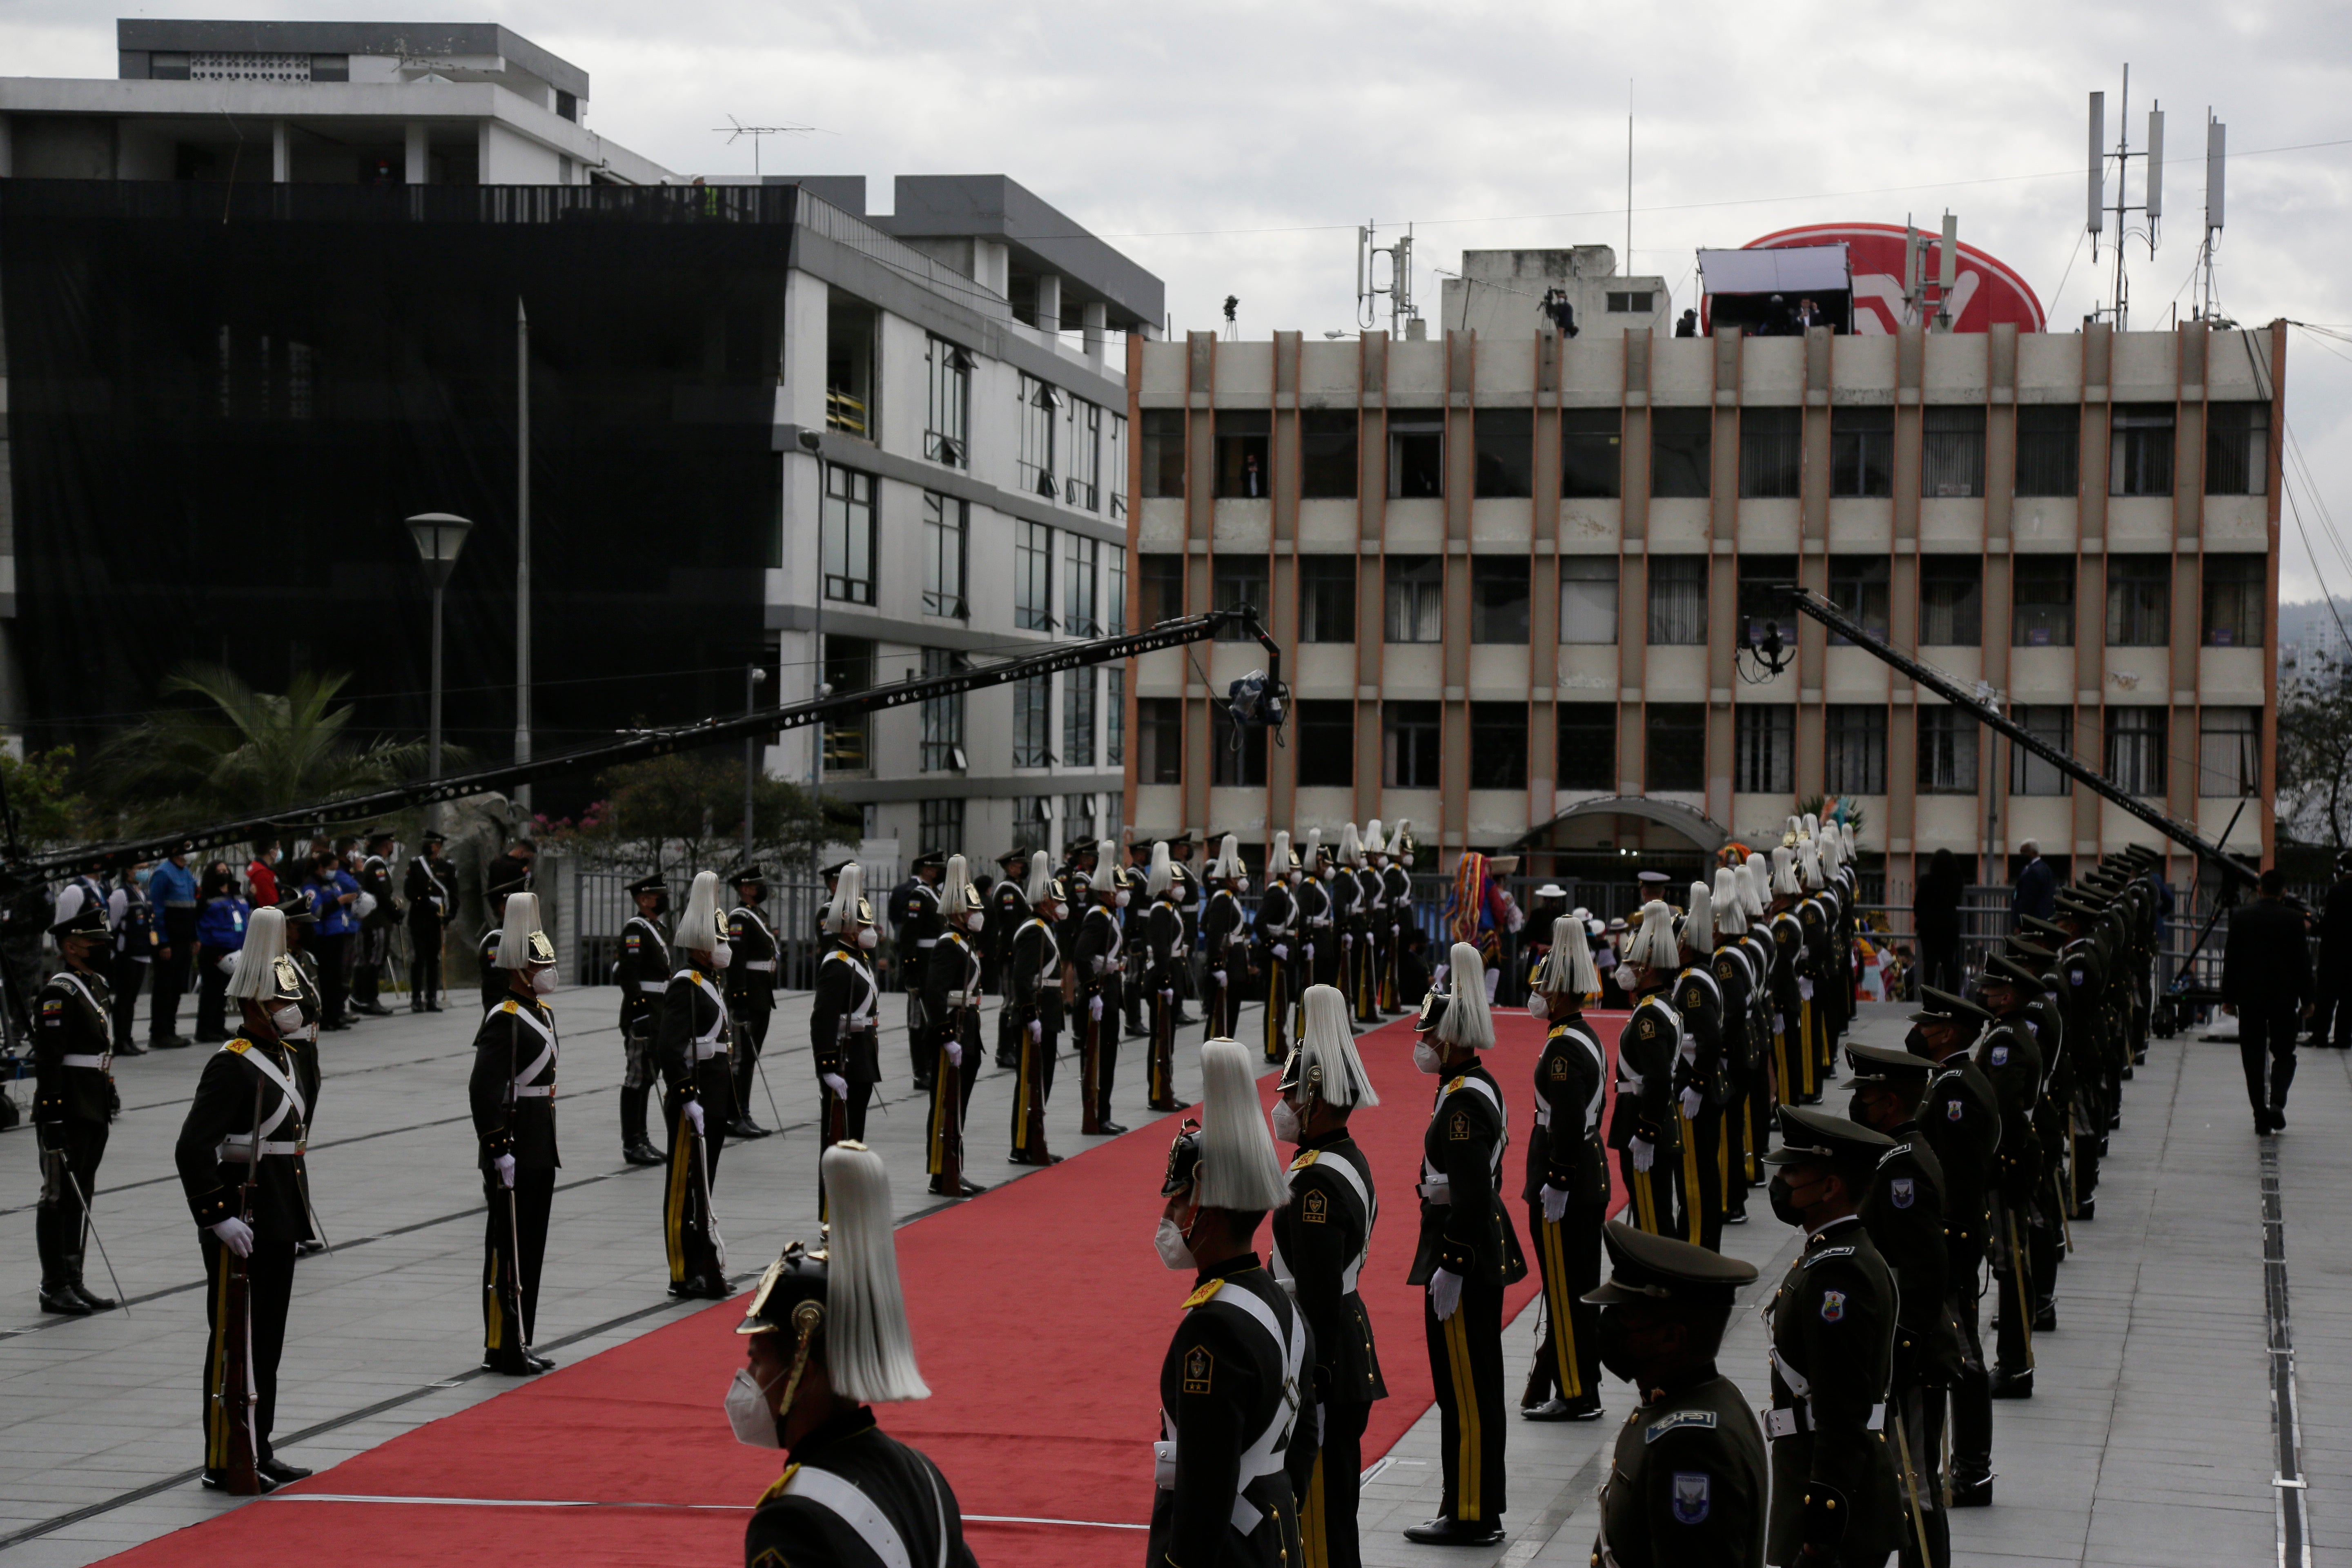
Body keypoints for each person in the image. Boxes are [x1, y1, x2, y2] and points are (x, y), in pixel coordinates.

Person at [734, 1143, 977, 1568]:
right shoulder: (921, 1474)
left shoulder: (793, 1521)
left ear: (803, 1373)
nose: (748, 1376)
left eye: (758, 1360)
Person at [1149, 1037, 1312, 1568]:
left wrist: (1179, 1562)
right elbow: (1305, 1438)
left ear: (1209, 1212)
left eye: (1179, 1199)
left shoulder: (1213, 1327)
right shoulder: (1279, 1299)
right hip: (1274, 1529)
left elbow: (1207, 1478)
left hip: (1228, 1550)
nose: (1171, 1213)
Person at [175, 911, 318, 1493]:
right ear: (255, 1006)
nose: (291, 1010)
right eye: (280, 1002)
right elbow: (191, 1149)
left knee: (270, 1338)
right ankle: (223, 1452)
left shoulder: (288, 1057)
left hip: (281, 1212)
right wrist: (217, 1216)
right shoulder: (230, 1064)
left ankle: (260, 1444)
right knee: (234, 1337)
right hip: (242, 1214)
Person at [1403, 942, 1524, 1547]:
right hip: (1469, 1249)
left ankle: (1472, 1511)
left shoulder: (1463, 1103)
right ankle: (1468, 1503)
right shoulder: (1468, 1086)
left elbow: (1473, 1197)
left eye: (1428, 1031)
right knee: (1468, 1387)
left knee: (1467, 1392)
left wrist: (1450, 1263)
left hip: (1465, 1254)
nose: (1420, 1039)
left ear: (1450, 1039)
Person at [1760, 1106, 1903, 1568]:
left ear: (1830, 1187)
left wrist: (1820, 1536)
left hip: (1834, 1502)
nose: (1782, 1183)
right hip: (1827, 1486)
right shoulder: (1835, 1257)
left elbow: (1842, 1408)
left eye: (1795, 1172)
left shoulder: (1838, 1275)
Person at [1272, 986, 1384, 1568]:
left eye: (1290, 1093)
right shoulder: (1341, 1157)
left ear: (1314, 1099)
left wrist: (1304, 1378)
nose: (1283, 1103)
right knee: (1334, 1511)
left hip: (1325, 1356)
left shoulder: (1314, 1181)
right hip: (1344, 1342)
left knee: (1318, 1519)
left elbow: (1314, 1291)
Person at [1583, 1223, 1767, 1566]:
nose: (1608, 1326)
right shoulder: (1705, 1397)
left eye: (1624, 1315)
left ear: (1671, 1338)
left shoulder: (1691, 1444)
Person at [1844, 1042, 1952, 1568]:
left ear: (1887, 1103)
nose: (1857, 1105)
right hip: (1908, 1344)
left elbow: (1925, 1266)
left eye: (1863, 1095)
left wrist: (1903, 1342)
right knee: (1903, 1479)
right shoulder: (1901, 1154)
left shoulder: (1900, 1167)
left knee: (1916, 1486)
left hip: (1915, 1352)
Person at [1904, 988, 2002, 1509]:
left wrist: (1949, 1253)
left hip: (1953, 1244)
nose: (1917, 1033)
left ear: (1945, 1033)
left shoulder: (1953, 1092)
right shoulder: (1954, 1081)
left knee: (1963, 1359)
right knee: (1964, 1356)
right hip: (1956, 1242)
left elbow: (1958, 1183)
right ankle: (1972, 1468)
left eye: (1926, 1026)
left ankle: (1973, 1472)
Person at [1521, 916, 1608, 1422]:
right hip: (1584, 1173)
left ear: (1558, 994)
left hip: (1568, 1182)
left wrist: (1557, 1179)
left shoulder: (1562, 1048)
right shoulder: (1581, 1034)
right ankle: (1578, 1385)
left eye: (1542, 986)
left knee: (1567, 1289)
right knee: (1574, 1286)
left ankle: (1576, 1391)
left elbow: (1570, 1118)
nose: (1537, 993)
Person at [470, 891, 560, 1376]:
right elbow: (484, 1090)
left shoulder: (540, 1012)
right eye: (538, 964)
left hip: (539, 1143)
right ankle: (501, 1343)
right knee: (508, 1251)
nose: (547, 971)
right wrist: (498, 1146)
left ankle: (521, 1336)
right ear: (517, 970)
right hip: (513, 1147)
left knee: (531, 1247)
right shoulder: (504, 1018)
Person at [32, 901, 121, 1314]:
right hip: (67, 1104)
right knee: (59, 1196)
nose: (102, 947)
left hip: (92, 1102)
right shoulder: (59, 992)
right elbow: (49, 1059)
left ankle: (75, 1279)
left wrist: (110, 1088)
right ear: (72, 947)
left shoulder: (95, 985)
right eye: (94, 942)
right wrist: (51, 1112)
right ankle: (54, 1286)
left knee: (82, 1191)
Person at [659, 871, 736, 1301]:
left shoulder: (710, 983)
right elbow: (669, 1049)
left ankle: (704, 1263)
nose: (724, 949)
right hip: (695, 1097)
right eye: (718, 942)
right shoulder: (684, 986)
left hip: (714, 1096)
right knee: (682, 1189)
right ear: (700, 946)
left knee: (703, 1187)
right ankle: (682, 1271)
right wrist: (686, 1094)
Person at [2223, 866, 2314, 1134]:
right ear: (2284, 892)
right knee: (2285, 1054)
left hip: (2250, 999)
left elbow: (2232, 961)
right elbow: (2303, 963)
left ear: (2259, 889)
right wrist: (2308, 999)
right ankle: (2277, 1102)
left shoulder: (2241, 918)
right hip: (2284, 999)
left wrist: (2228, 998)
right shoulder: (2294, 921)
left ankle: (2259, 1116)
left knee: (2252, 1057)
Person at [1612, 900, 1684, 1236]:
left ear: (1650, 968)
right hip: (1651, 1118)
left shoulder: (1650, 1015)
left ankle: (1659, 1286)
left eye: (1633, 961)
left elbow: (1657, 1078)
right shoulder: (1659, 1006)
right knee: (1651, 1213)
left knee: (1652, 1221)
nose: (1626, 967)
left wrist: (1646, 1131)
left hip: (1644, 1120)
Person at [922, 855, 988, 1198]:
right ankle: (941, 1171)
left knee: (958, 1105)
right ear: (958, 912)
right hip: (956, 1030)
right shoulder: (949, 943)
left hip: (969, 1028)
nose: (977, 915)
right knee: (946, 1104)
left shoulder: (966, 942)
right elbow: (934, 994)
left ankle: (954, 1167)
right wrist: (946, 1035)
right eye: (971, 910)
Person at [810, 864, 882, 1170]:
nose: (871, 932)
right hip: (845, 1058)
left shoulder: (858, 959)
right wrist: (827, 1068)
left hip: (862, 1054)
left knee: (856, 1137)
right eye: (864, 927)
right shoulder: (837, 964)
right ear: (850, 929)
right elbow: (822, 1020)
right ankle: (830, 1209)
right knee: (838, 1138)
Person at [1668, 881, 1727, 1252]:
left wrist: (1698, 1083)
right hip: (1699, 1086)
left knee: (1693, 1178)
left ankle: (1697, 1248)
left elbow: (1709, 1039)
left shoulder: (1692, 984)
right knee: (1701, 1173)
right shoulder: (1699, 976)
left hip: (1696, 1090)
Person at [1006, 867, 1066, 1166]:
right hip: (1036, 1016)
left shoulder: (1044, 927)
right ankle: (1022, 1145)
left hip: (1048, 1014)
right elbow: (1022, 978)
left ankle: (1035, 1139)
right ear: (1044, 902)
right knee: (1031, 1082)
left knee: (1042, 1081)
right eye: (1056, 902)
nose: (1060, 907)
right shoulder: (1033, 930)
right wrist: (1030, 1015)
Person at [1071, 844, 1130, 1136]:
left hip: (1109, 995)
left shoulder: (1110, 915)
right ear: (1108, 890)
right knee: (1097, 1060)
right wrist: (1093, 991)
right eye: (1120, 888)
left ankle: (1103, 1114)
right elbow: (1081, 956)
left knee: (1107, 1060)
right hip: (1100, 998)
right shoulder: (1097, 916)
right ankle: (1095, 1115)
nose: (1124, 892)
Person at [612, 874, 669, 1167]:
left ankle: (643, 1138)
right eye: (659, 896)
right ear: (644, 899)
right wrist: (640, 1013)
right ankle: (632, 1142)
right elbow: (629, 975)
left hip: (659, 1009)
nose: (664, 900)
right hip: (644, 1011)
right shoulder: (636, 930)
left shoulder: (656, 928)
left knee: (649, 1077)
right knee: (637, 1076)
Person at [725, 864, 781, 1140]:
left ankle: (743, 1113)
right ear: (745, 889)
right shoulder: (740, 919)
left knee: (749, 1059)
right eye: (757, 885)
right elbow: (735, 963)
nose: (762, 889)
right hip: (748, 996)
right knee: (740, 1059)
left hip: (761, 996)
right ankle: (734, 1115)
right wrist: (739, 999)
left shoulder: (758, 916)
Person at [891, 851, 947, 1091]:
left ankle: (932, 1065)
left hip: (935, 962)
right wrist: (910, 969)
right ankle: (920, 1071)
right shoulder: (918, 895)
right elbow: (909, 936)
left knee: (934, 1017)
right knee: (919, 1020)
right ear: (927, 870)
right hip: (922, 963)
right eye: (936, 868)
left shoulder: (935, 894)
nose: (940, 871)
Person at [1144, 842, 1188, 1112]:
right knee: (1161, 1037)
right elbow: (1160, 949)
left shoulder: (1169, 907)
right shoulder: (1161, 909)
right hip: (1163, 978)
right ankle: (1158, 1091)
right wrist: (1164, 980)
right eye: (1175, 882)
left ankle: (1165, 1087)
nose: (1180, 887)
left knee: (1167, 1038)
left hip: (1171, 975)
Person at [147, 842, 201, 1050]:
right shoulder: (163, 874)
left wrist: (195, 937)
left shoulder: (186, 873)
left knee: (177, 988)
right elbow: (157, 912)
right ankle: (159, 1033)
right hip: (169, 941)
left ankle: (171, 1030)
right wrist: (163, 943)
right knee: (164, 988)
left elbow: (191, 908)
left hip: (185, 940)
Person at [1255, 832, 1301, 1065]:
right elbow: (1259, 923)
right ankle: (1273, 1047)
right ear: (1286, 870)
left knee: (1283, 1001)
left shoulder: (1286, 891)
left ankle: (1279, 1042)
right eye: (1294, 869)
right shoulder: (1276, 892)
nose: (1297, 873)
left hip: (1288, 952)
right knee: (1274, 1001)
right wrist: (1273, 945)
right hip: (1276, 955)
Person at [192, 862, 252, 1045]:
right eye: (219, 872)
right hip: (214, 949)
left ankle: (219, 1026)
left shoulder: (236, 894)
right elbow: (197, 921)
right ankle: (205, 1030)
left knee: (224, 992)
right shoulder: (206, 897)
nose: (224, 874)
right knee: (211, 991)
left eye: (226, 871)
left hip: (235, 948)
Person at [303, 851, 360, 1031]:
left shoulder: (331, 882)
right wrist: (340, 901)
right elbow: (316, 911)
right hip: (323, 936)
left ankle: (337, 1014)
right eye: (331, 869)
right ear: (321, 868)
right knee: (326, 978)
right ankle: (326, 1017)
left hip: (337, 932)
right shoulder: (311, 886)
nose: (334, 872)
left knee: (337, 977)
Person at [107, 865, 160, 1057]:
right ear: (129, 870)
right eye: (141, 868)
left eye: (147, 868)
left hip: (142, 952)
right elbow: (111, 924)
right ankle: (120, 1041)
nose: (146, 871)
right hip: (126, 954)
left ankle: (128, 1038)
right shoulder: (121, 894)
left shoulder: (143, 893)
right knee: (124, 999)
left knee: (132, 999)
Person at [1201, 835, 1249, 1043]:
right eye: (1238, 878)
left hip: (1236, 965)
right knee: (1220, 1019)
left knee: (1231, 1017)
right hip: (1227, 966)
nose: (1241, 881)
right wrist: (1216, 966)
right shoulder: (1222, 899)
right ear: (1228, 877)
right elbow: (1214, 935)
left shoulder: (1230, 897)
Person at [987, 849, 1031, 1070]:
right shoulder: (1008, 891)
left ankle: (1012, 1048)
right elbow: (1010, 926)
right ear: (1012, 867)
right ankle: (1004, 1051)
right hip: (1010, 954)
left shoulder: (1017, 888)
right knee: (1010, 1002)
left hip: (1018, 953)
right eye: (1021, 864)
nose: (1025, 868)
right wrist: (1015, 952)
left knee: (1017, 1001)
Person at [350, 831, 401, 1017]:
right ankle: (370, 999)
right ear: (386, 845)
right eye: (391, 843)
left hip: (371, 919)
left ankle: (358, 997)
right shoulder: (377, 864)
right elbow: (381, 893)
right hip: (377, 920)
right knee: (376, 959)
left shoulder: (369, 862)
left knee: (365, 959)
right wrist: (395, 913)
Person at [403, 832, 452, 1013]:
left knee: (434, 959)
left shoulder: (446, 866)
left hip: (437, 919)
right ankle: (417, 999)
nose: (428, 846)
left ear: (438, 846)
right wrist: (425, 901)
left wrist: (451, 914)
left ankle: (432, 997)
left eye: (431, 844)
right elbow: (409, 891)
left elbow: (453, 893)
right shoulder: (416, 865)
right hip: (419, 918)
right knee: (419, 959)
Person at [1915, 847, 1964, 998]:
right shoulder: (1957, 881)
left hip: (1929, 928)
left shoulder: (1926, 880)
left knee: (1930, 965)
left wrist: (1922, 919)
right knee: (1949, 964)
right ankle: (1953, 997)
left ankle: (1929, 999)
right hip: (1949, 927)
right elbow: (1957, 901)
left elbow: (1918, 905)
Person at [1379, 820, 1415, 1013]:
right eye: (1406, 853)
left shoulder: (1400, 870)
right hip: (1398, 925)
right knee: (1393, 964)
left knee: (1399, 965)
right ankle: (1389, 1001)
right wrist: (1394, 918)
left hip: (1403, 925)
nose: (1409, 857)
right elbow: (1390, 898)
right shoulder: (1393, 872)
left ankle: (1395, 999)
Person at [2010, 840, 2057, 929]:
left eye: (2024, 852)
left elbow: (2027, 901)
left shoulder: (2033, 872)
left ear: (2034, 853)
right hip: (2043, 919)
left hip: (2032, 922)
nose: (2022, 855)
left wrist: (2020, 924)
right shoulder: (2045, 868)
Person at [485, 837, 536, 912]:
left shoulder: (495, 863)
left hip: (497, 905)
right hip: (515, 905)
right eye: (529, 857)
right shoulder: (521, 867)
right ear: (521, 853)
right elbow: (530, 879)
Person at [244, 840, 279, 911]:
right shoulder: (262, 873)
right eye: (278, 849)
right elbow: (272, 903)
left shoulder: (257, 867)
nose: (279, 852)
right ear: (272, 852)